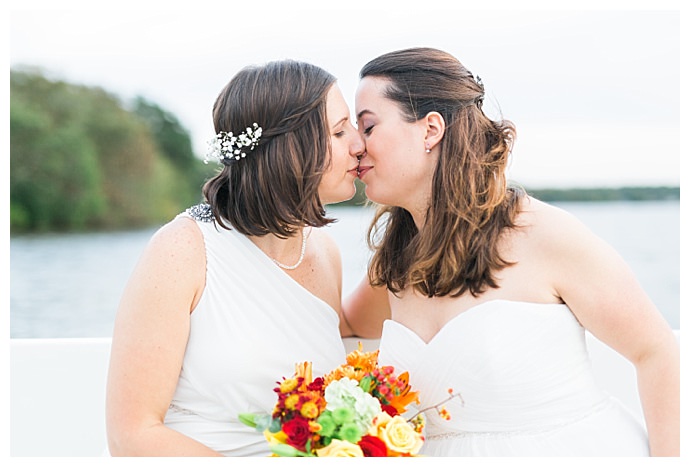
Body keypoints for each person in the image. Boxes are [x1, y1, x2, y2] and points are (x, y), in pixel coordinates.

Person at [342, 47, 680, 456]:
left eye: (368, 126)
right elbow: (343, 324)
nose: (356, 147)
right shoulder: (398, 261)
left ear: (430, 129)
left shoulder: (543, 233)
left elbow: (656, 351)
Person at [105, 59, 365, 456]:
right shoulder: (181, 251)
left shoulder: (324, 252)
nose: (358, 144)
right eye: (339, 130)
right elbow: (133, 435)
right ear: (289, 147)